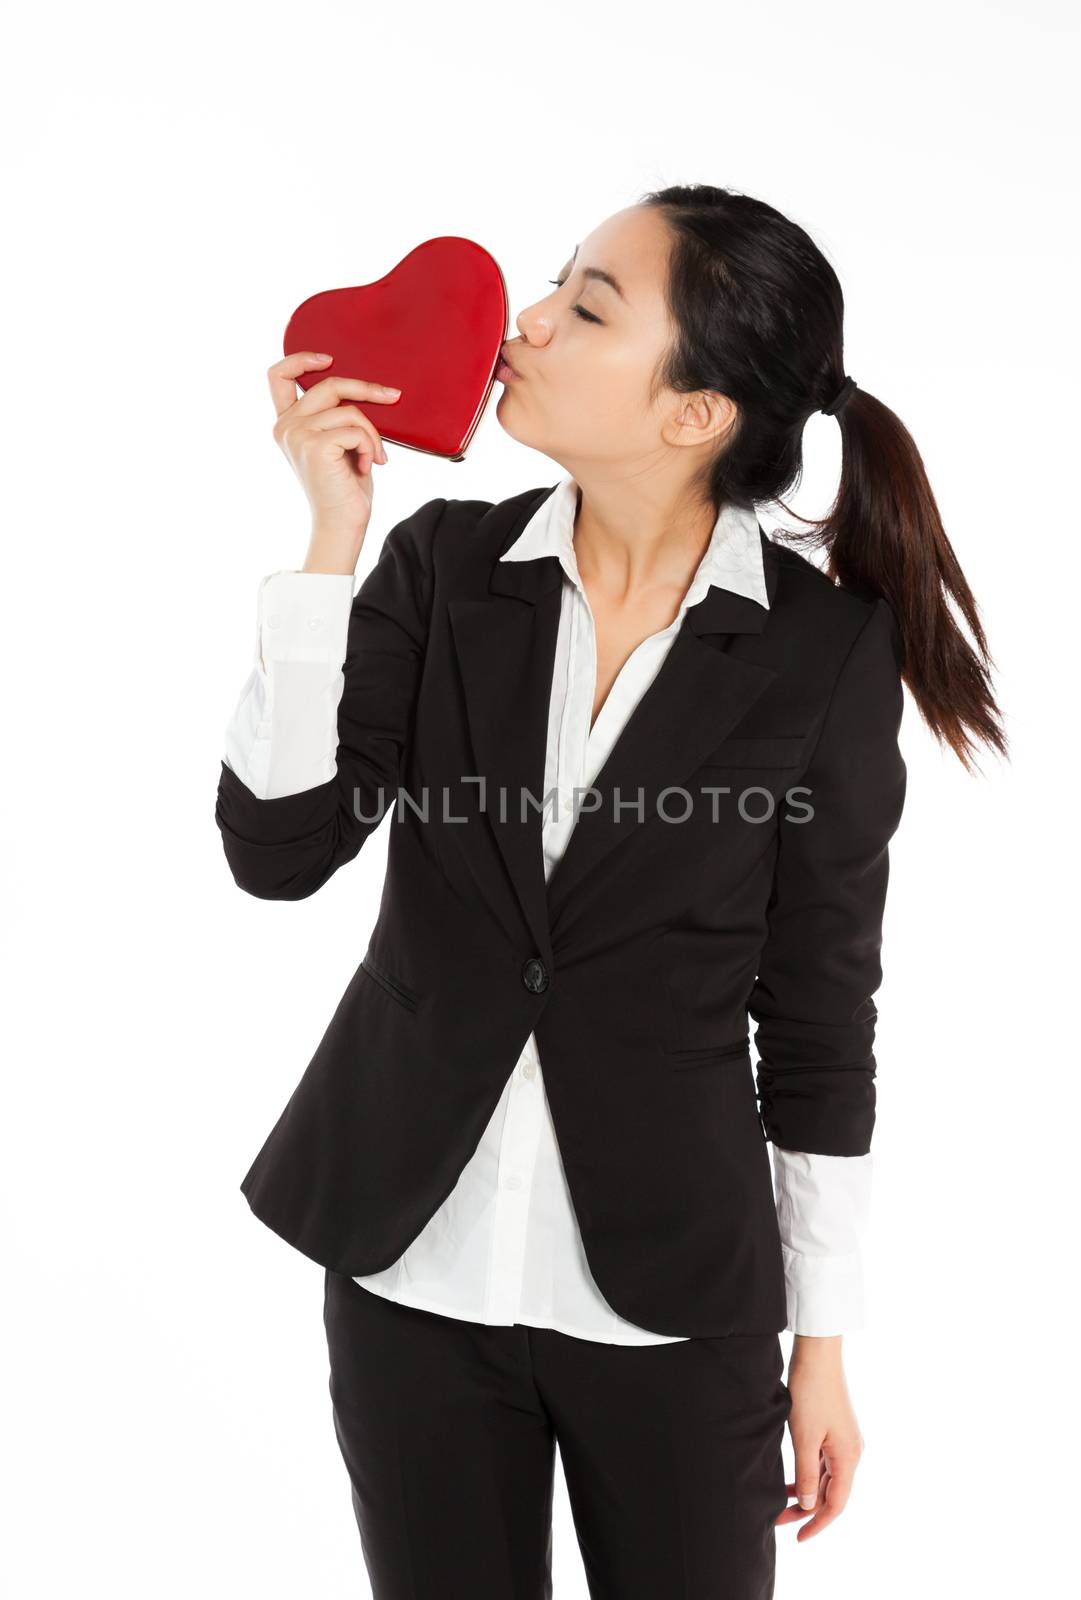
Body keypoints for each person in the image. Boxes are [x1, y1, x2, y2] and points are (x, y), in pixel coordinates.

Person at [216, 184, 1006, 1599]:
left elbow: (821, 1018)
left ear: (694, 413)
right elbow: (278, 853)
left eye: (587, 306)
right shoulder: (444, 569)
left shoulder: (821, 658)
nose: (523, 323)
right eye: (554, 286)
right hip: (410, 1270)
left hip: (674, 1304)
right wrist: (328, 545)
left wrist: (820, 1343)